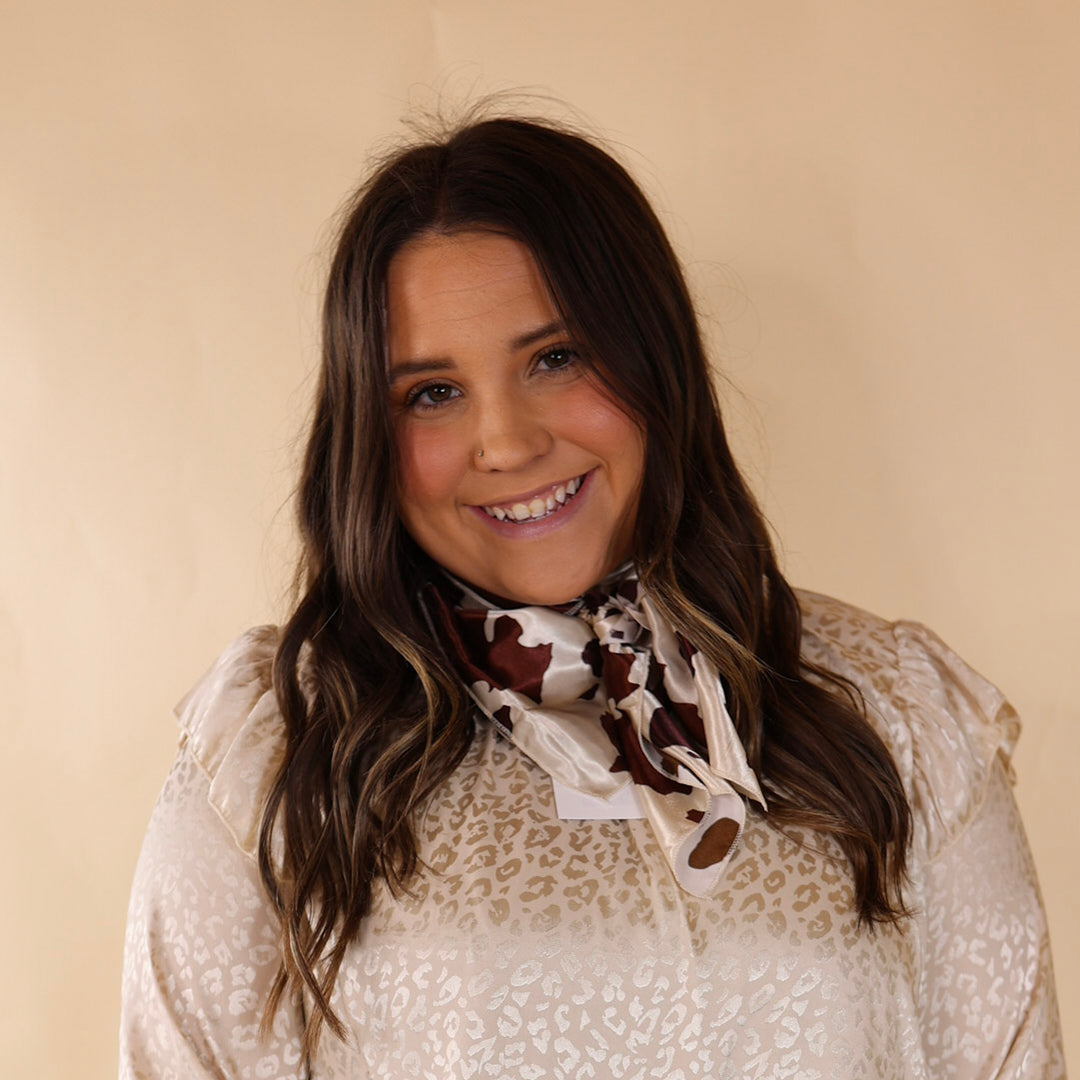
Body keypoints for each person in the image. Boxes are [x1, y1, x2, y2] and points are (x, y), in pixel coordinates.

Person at [119, 115, 1064, 1079]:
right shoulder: (277, 747)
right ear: (369, 432)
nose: (508, 442)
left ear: (656, 363)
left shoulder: (894, 711)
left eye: (556, 358)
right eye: (431, 393)